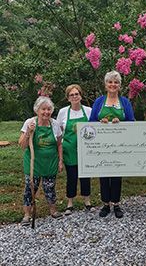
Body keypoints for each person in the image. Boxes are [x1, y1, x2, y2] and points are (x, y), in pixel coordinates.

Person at [89, 70, 135, 218]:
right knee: (103, 174)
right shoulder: (99, 102)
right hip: (102, 146)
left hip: (120, 145)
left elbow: (132, 122)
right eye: (110, 82)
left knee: (116, 174)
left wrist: (120, 123)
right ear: (105, 84)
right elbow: (90, 123)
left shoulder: (125, 102)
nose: (113, 85)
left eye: (116, 82)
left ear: (120, 85)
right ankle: (105, 204)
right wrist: (99, 123)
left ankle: (116, 204)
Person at [19, 96, 63, 226]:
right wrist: (28, 132)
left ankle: (53, 210)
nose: (46, 112)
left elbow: (60, 144)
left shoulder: (54, 124)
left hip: (50, 164)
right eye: (43, 109)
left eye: (49, 109)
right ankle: (27, 214)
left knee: (50, 188)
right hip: (33, 165)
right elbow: (22, 145)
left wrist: (61, 160)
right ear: (37, 110)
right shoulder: (30, 122)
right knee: (30, 189)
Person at [56, 84, 92, 216]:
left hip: (85, 150)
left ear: (81, 95)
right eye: (72, 95)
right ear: (68, 98)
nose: (75, 96)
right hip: (69, 150)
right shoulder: (63, 112)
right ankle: (70, 202)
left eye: (77, 94)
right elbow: (58, 130)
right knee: (71, 176)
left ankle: (87, 201)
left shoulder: (88, 111)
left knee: (85, 175)